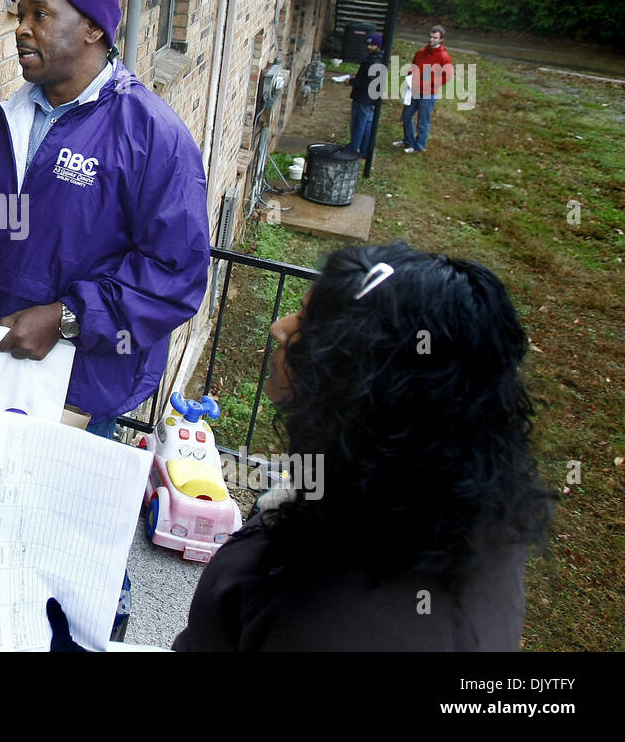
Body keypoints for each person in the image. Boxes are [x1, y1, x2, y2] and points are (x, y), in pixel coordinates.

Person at [0, 0, 212, 635]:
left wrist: (69, 316)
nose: (22, 29)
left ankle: (95, 629)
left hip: (80, 386)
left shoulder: (151, 135)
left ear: (95, 30)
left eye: (41, 14)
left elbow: (177, 274)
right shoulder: (10, 119)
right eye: (20, 14)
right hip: (0, 365)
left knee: (70, 541)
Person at [50, 243, 552, 651]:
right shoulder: (443, 510)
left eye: (308, 326)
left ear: (358, 379)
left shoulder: (334, 621)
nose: (278, 327)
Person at [396, 25, 453, 153]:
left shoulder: (444, 57)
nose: (431, 40)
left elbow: (447, 77)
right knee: (406, 116)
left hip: (428, 93)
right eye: (430, 36)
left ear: (441, 39)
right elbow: (414, 66)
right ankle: (408, 140)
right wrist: (410, 74)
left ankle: (419, 146)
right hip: (414, 90)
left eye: (435, 38)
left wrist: (430, 83)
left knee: (423, 121)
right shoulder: (420, 53)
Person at [346, 32, 385, 159]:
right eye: (368, 44)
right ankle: (364, 150)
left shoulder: (373, 61)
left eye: (372, 45)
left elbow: (368, 82)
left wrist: (352, 82)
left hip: (364, 98)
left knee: (358, 124)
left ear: (377, 46)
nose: (368, 47)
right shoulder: (378, 59)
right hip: (371, 99)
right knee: (367, 124)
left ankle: (353, 148)